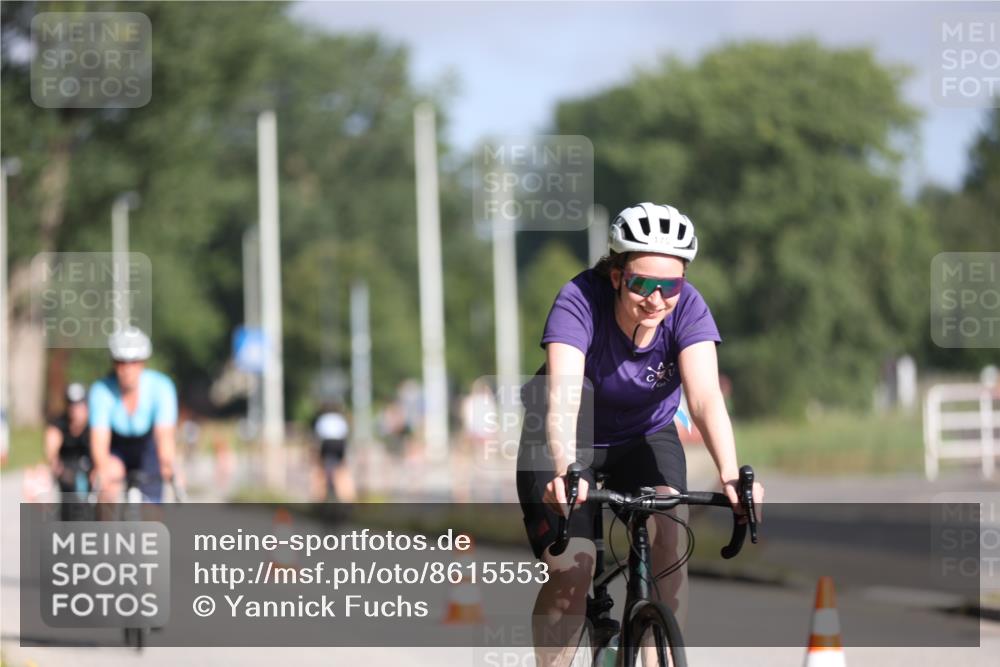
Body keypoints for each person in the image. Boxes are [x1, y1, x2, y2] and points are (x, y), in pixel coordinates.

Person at [516, 202, 765, 666]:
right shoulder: (578, 301)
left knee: (671, 538)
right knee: (574, 570)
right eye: (641, 284)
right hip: (568, 436)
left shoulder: (688, 309)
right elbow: (564, 400)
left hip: (645, 433)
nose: (656, 300)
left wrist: (730, 475)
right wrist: (562, 471)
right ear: (616, 276)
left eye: (668, 286)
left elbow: (706, 398)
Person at [89, 327, 179, 503]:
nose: (127, 369)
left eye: (134, 362)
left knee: (152, 509)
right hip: (117, 446)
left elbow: (164, 436)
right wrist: (101, 468)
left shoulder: (162, 387)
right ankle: (107, 529)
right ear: (114, 363)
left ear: (143, 362)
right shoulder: (101, 391)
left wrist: (169, 466)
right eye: (121, 362)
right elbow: (99, 440)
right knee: (107, 480)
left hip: (148, 447)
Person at [45, 382, 92, 498]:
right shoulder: (59, 425)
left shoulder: (94, 426)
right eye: (72, 405)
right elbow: (51, 452)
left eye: (79, 405)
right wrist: (55, 463)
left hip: (89, 470)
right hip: (66, 471)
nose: (75, 409)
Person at [312, 400, 354, 501]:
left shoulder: (322, 419)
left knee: (320, 468)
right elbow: (345, 436)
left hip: (327, 444)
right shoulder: (341, 419)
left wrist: (317, 456)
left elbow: (317, 439)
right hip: (340, 444)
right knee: (341, 468)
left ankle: (318, 497)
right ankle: (347, 496)